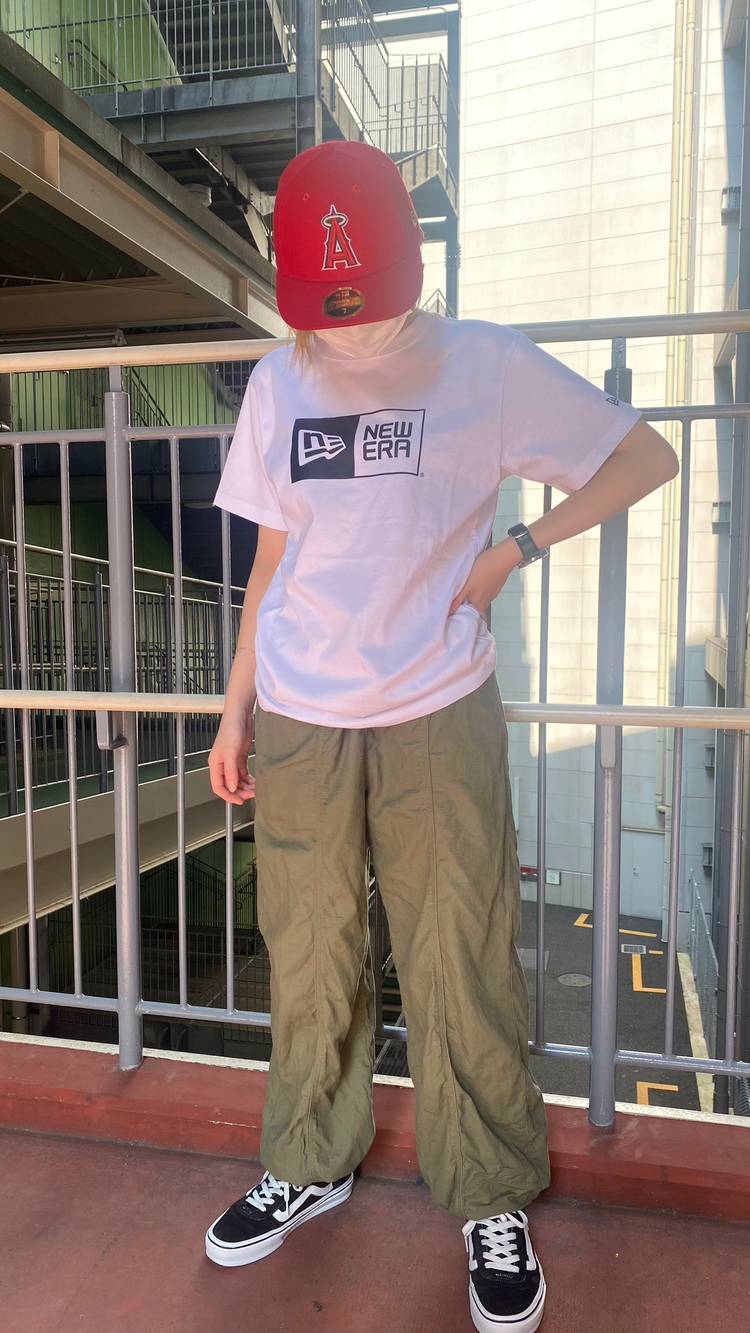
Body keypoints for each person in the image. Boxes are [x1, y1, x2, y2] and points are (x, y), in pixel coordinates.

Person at [204, 139, 679, 1332]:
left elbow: (644, 456)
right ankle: (308, 1161)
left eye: (363, 302)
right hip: (302, 711)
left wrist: (517, 550)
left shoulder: (485, 364)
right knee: (309, 947)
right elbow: (269, 562)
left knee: (458, 949)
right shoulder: (278, 380)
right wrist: (235, 703)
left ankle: (489, 1192)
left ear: (409, 265)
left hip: (436, 701)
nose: (348, 330)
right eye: (325, 308)